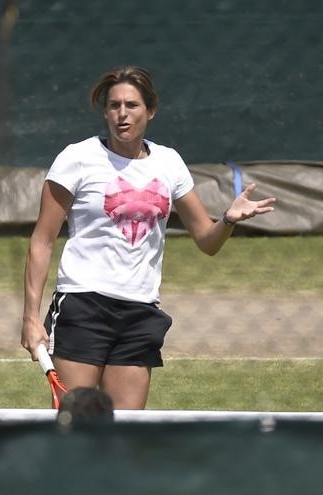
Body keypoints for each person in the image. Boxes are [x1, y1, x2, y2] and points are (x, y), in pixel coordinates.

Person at [21, 66, 275, 410]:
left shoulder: (169, 164)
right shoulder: (77, 159)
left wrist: (228, 219)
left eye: (132, 105)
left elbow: (207, 241)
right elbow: (42, 240)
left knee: (125, 437)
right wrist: (31, 318)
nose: (121, 114)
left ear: (150, 111)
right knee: (75, 433)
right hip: (83, 307)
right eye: (113, 106)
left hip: (140, 313)